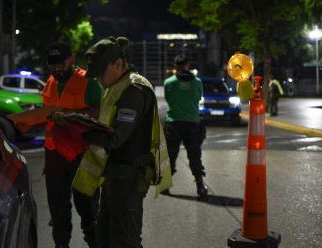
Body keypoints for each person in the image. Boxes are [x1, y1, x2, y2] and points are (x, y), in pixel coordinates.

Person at [72, 36, 172, 248]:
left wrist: (81, 131)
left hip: (129, 176)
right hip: (115, 174)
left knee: (125, 240)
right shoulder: (116, 86)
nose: (98, 79)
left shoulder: (134, 90)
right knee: (106, 235)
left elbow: (116, 137)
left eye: (101, 73)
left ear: (118, 64)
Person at [42, 43, 102, 248]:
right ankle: (61, 245)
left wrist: (70, 116)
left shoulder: (89, 81)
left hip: (82, 154)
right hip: (53, 154)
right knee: (58, 209)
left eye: (60, 63)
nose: (56, 68)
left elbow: (100, 112)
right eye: (53, 65)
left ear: (71, 59)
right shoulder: (50, 82)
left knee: (89, 210)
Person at [163, 54, 208, 197]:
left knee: (170, 155)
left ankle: (165, 185)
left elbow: (168, 99)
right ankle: (200, 186)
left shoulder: (169, 83)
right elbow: (198, 98)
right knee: (194, 155)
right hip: (192, 123)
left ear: (175, 66)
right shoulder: (198, 82)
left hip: (173, 123)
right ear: (188, 65)